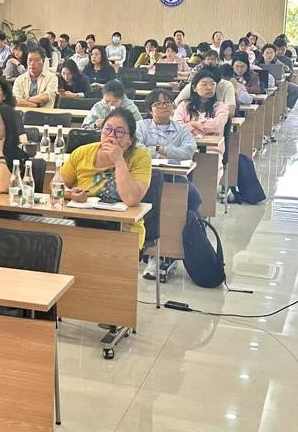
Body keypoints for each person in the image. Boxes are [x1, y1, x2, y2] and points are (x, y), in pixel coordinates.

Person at [61, 107, 151, 246]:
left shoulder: (141, 157)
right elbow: (56, 185)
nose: (111, 136)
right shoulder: (81, 153)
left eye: (119, 132)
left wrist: (119, 161)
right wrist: (70, 194)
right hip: (80, 224)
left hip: (123, 230)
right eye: (107, 130)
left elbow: (131, 199)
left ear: (130, 139)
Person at [135, 88, 200, 281]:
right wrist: (169, 152)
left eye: (168, 103)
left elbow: (189, 151)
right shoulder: (141, 126)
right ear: (150, 109)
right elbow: (137, 149)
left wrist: (160, 149)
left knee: (193, 197)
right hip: (145, 176)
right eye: (158, 103)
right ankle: (151, 250)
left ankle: (174, 246)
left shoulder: (181, 129)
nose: (164, 106)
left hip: (174, 177)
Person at [173, 70, 229, 180]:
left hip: (211, 151)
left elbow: (216, 126)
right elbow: (177, 127)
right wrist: (200, 127)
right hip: (184, 149)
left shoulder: (221, 107)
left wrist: (193, 124)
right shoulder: (184, 105)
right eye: (204, 84)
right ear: (194, 88)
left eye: (212, 84)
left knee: (206, 177)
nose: (209, 87)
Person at [259, 43, 298, 109]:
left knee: (297, 90)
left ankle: (285, 107)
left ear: (275, 54)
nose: (269, 55)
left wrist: (285, 68)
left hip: (278, 84)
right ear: (263, 54)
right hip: (262, 85)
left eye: (271, 53)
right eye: (267, 53)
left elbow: (288, 71)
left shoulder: (277, 62)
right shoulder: (257, 63)